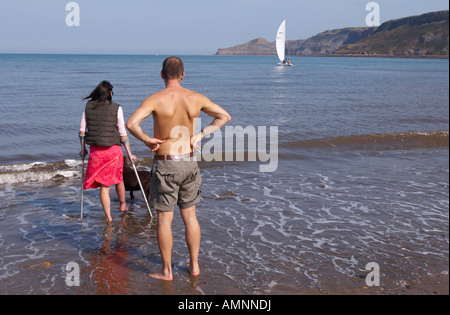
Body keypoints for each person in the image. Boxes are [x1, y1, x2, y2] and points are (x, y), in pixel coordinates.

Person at [127, 57, 231, 281]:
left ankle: (167, 272)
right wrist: (200, 135)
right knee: (190, 216)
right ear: (183, 75)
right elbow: (224, 116)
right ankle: (194, 266)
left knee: (165, 220)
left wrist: (147, 140)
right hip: (189, 160)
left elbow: (131, 124)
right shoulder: (195, 98)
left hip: (166, 162)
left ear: (162, 74)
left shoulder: (155, 99)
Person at [79, 80, 135, 222]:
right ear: (110, 93)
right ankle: (123, 205)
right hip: (113, 151)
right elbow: (123, 134)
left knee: (104, 187)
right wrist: (129, 153)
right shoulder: (116, 108)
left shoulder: (88, 107)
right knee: (119, 179)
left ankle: (108, 217)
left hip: (96, 152)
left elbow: (82, 132)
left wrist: (83, 149)